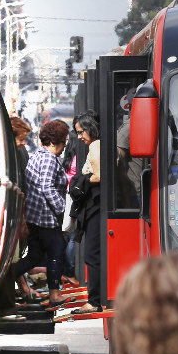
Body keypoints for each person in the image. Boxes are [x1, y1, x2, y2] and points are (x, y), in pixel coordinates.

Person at [13, 119, 69, 307]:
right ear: (55, 141)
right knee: (56, 251)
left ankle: (5, 278)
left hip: (34, 216)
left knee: (34, 255)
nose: (64, 147)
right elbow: (46, 186)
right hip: (46, 217)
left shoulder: (37, 155)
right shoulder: (48, 159)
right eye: (63, 142)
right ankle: (54, 294)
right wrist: (60, 206)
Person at [71, 111, 103, 313]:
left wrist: (79, 182)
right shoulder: (98, 145)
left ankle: (95, 300)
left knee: (92, 254)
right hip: (95, 206)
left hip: (95, 207)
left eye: (81, 131)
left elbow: (99, 175)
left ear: (90, 127)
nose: (79, 136)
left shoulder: (95, 145)